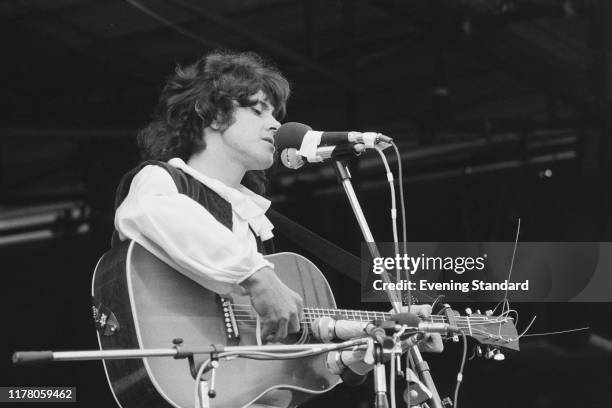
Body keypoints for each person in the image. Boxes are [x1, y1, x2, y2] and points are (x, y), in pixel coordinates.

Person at [113, 50, 302, 343]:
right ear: (214, 114)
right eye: (258, 110)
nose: (276, 124)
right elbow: (153, 210)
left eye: (274, 113)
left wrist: (346, 355)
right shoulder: (163, 180)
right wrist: (256, 275)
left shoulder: (250, 217)